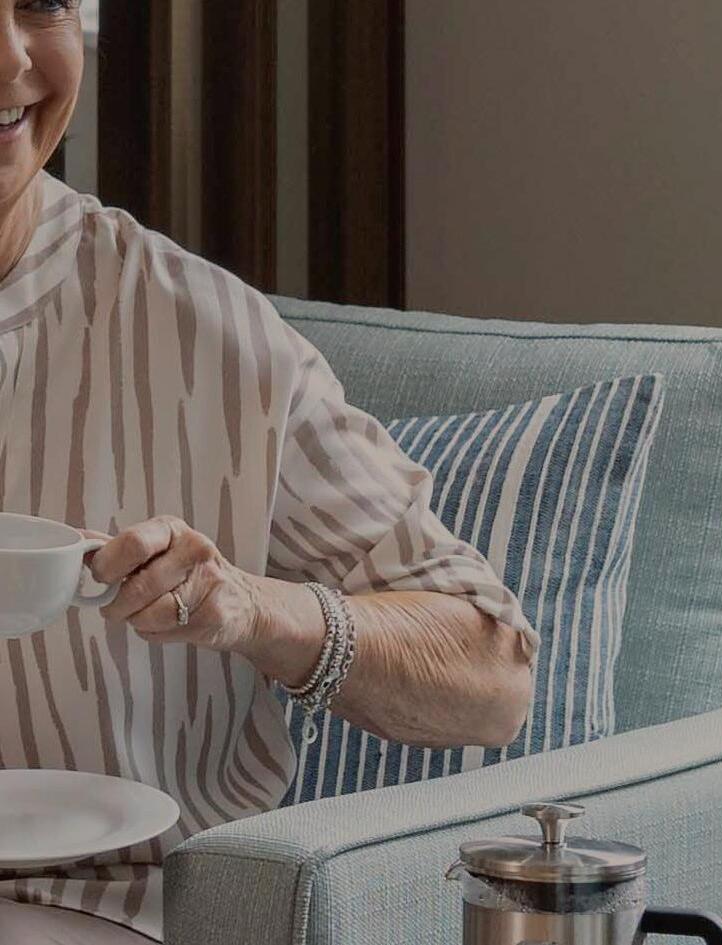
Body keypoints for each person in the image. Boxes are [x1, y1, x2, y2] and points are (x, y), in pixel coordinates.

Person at [0, 2, 539, 942]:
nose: (12, 58)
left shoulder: (204, 336)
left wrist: (251, 610)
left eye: (41, 2)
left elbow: (491, 674)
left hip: (112, 914)